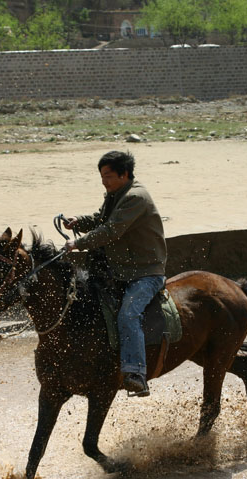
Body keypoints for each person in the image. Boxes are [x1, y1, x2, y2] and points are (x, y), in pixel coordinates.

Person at [63, 151, 167, 397]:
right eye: (102, 176)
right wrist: (79, 221)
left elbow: (111, 230)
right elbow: (101, 219)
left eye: (108, 176)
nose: (104, 181)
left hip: (145, 273)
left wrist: (78, 243)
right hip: (120, 270)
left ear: (125, 174)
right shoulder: (116, 194)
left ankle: (136, 373)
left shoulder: (135, 198)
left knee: (128, 315)